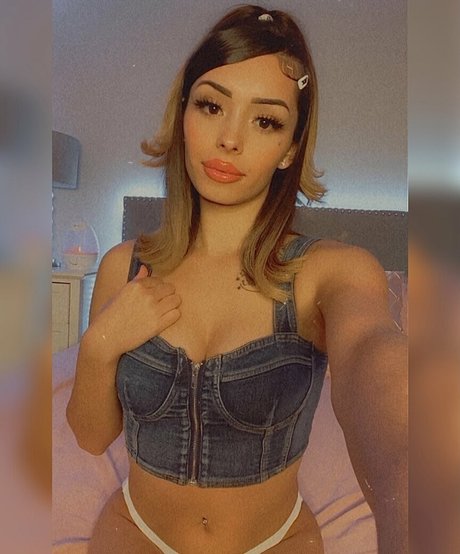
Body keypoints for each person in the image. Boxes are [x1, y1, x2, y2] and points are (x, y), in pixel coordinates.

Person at [67, 5, 407, 553]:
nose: (229, 138)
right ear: (184, 114)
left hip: (277, 540)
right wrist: (100, 344)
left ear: (290, 147)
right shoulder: (123, 266)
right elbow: (90, 436)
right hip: (136, 530)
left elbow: (379, 365)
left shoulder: (329, 272)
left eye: (265, 120)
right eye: (211, 106)